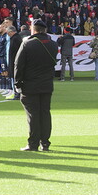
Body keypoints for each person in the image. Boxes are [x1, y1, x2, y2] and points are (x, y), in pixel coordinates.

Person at [13, 19, 58, 151]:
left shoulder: (27, 44)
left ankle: (33, 143)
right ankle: (45, 143)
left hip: (30, 85)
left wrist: (17, 83)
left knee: (32, 115)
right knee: (45, 114)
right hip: (46, 84)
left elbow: (18, 65)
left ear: (33, 29)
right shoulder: (53, 44)